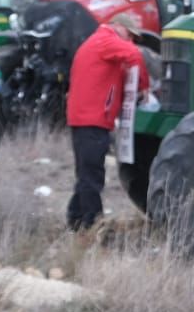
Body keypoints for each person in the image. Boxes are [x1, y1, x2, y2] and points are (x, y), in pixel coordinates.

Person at [64, 13, 150, 231]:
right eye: (129, 35)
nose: (130, 41)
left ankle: (76, 221)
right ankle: (94, 223)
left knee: (86, 172)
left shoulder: (98, 43)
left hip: (86, 118)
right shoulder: (106, 40)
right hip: (92, 120)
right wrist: (143, 86)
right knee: (92, 175)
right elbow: (134, 55)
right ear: (118, 27)